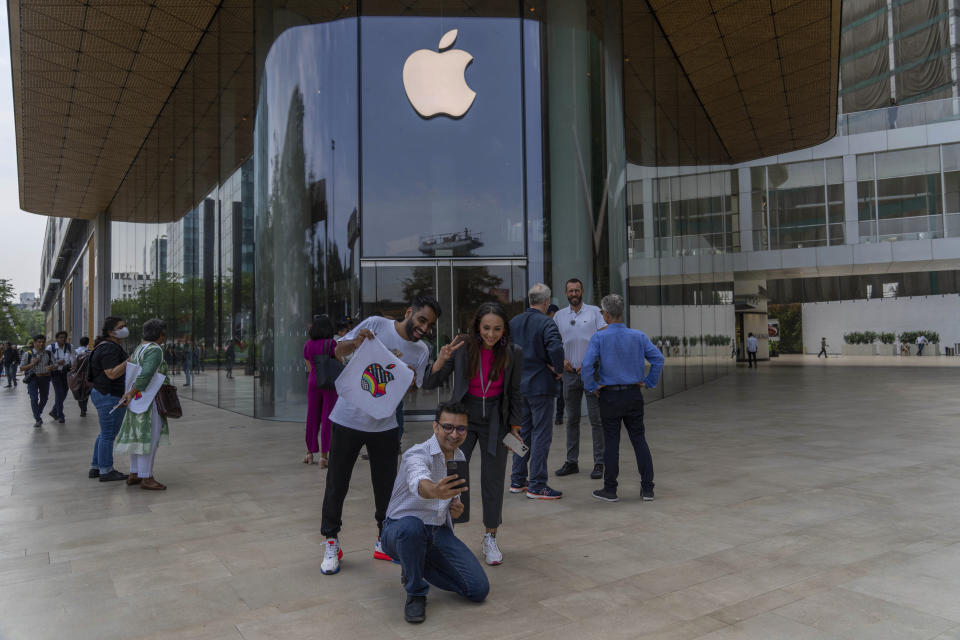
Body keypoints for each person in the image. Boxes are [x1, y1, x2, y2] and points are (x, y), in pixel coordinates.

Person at [320, 295, 438, 576]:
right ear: (409, 312)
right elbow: (338, 351)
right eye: (421, 319)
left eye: (430, 325)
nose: (424, 328)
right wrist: (356, 342)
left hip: (384, 426)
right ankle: (331, 542)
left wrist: (408, 380)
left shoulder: (421, 350)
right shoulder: (376, 324)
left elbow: (413, 387)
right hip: (347, 418)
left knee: (386, 488)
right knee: (337, 483)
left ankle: (383, 540)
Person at [423, 302, 523, 565]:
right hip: (462, 420)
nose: (491, 334)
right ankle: (448, 534)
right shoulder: (463, 348)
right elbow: (431, 381)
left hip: (495, 421)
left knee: (493, 480)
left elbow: (514, 394)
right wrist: (442, 358)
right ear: (478, 326)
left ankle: (490, 536)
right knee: (454, 477)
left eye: (497, 329)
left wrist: (515, 428)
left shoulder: (513, 352)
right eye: (486, 328)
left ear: (505, 330)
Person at [380, 401, 489, 624]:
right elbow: (420, 481)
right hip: (399, 528)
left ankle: (413, 563)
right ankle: (416, 592)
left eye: (461, 428)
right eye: (448, 427)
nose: (454, 434)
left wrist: (454, 508)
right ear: (435, 427)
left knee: (478, 590)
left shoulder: (459, 457)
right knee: (412, 527)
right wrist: (435, 491)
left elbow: (452, 499)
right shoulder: (417, 454)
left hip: (437, 531)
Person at [581, 294, 664, 503]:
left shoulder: (599, 337)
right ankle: (647, 489)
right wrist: (649, 381)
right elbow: (658, 359)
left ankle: (610, 489)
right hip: (633, 394)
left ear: (606, 315)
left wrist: (593, 387)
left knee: (611, 442)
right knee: (639, 440)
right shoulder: (638, 336)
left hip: (609, 396)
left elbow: (587, 367)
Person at [508, 283, 565, 500]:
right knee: (541, 434)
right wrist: (558, 369)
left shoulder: (513, 323)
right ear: (546, 301)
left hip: (518, 387)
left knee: (520, 433)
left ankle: (517, 479)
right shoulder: (546, 323)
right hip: (540, 386)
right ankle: (537, 484)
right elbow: (556, 348)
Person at [553, 278, 607, 480]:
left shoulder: (594, 313)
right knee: (571, 420)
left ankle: (599, 462)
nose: (574, 294)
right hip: (569, 374)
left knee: (596, 420)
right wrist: (562, 361)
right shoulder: (559, 316)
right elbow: (554, 343)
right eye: (570, 291)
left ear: (582, 291)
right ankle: (571, 462)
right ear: (566, 293)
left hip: (591, 373)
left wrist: (591, 361)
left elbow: (604, 337)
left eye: (577, 290)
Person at [115, 319, 171, 491]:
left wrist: (130, 394)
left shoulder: (140, 348)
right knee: (149, 438)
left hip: (137, 400)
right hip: (150, 400)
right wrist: (131, 393)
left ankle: (134, 473)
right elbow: (146, 375)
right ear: (161, 334)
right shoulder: (155, 350)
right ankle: (146, 477)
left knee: (138, 438)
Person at [88, 317, 131, 482]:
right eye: (121, 327)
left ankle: (96, 466)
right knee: (108, 434)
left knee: (105, 433)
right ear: (110, 331)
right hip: (109, 394)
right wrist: (130, 361)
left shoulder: (106, 346)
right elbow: (112, 373)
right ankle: (106, 470)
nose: (124, 329)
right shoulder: (110, 349)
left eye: (124, 325)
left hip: (102, 393)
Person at [303, 315, 339, 467]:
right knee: (327, 418)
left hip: (313, 381)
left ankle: (309, 453)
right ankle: (324, 456)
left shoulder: (308, 345)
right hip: (329, 383)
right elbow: (338, 362)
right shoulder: (331, 343)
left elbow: (309, 366)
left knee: (312, 416)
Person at [20, 334, 55, 427]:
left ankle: (37, 412)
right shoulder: (28, 354)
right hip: (33, 378)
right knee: (34, 398)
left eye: (43, 342)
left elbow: (55, 365)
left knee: (44, 398)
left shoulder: (48, 353)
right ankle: (38, 419)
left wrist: (51, 367)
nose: (41, 344)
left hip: (45, 378)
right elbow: (21, 368)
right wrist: (32, 364)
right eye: (39, 342)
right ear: (34, 343)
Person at [46, 331, 72, 423]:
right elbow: (46, 360)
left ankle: (54, 411)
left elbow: (71, 359)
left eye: (64, 337)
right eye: (61, 337)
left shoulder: (69, 347)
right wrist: (56, 363)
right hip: (55, 373)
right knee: (59, 394)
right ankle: (60, 415)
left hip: (65, 373)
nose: (63, 339)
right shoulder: (50, 348)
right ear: (56, 339)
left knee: (64, 393)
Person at [546, 304, 564, 425]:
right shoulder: (547, 326)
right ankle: (556, 417)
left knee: (561, 394)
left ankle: (558, 417)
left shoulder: (557, 327)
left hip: (557, 365)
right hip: (551, 366)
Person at [73, 336, 91, 416]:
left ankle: (82, 409)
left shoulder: (76, 352)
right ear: (88, 343)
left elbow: (73, 364)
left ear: (80, 342)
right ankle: (84, 409)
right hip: (87, 375)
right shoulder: (90, 352)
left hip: (78, 375)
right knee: (86, 391)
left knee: (78, 391)